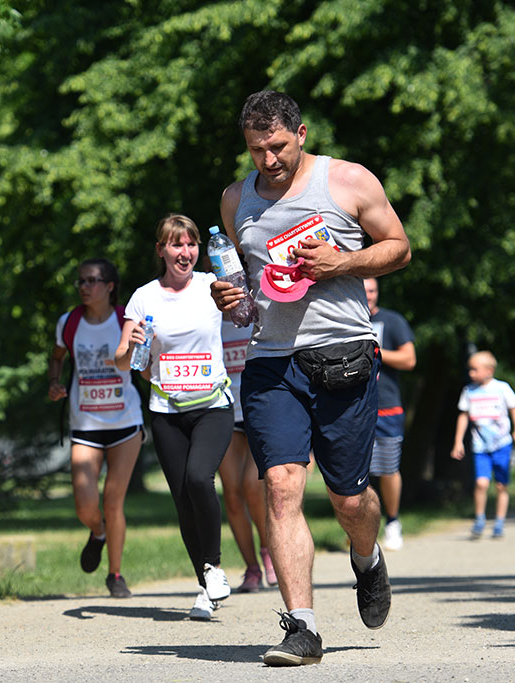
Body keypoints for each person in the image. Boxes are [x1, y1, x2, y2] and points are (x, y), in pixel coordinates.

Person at [211, 90, 411, 666]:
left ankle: (367, 557)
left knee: (349, 500)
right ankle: (302, 628)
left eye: (277, 146)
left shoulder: (347, 182)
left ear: (301, 133)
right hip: (271, 361)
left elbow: (399, 247)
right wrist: (233, 302)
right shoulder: (236, 199)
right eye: (256, 150)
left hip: (342, 355)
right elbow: (254, 293)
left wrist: (342, 263)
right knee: (279, 485)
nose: (268, 160)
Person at [116, 213, 234, 622]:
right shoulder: (144, 296)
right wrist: (130, 344)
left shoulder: (210, 284)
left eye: (191, 244)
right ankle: (205, 584)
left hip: (213, 404)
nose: (185, 253)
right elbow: (124, 360)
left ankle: (215, 565)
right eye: (176, 245)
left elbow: (246, 309)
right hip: (166, 410)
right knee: (183, 500)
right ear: (161, 250)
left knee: (199, 478)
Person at [48, 258, 143, 598]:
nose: (84, 287)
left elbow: (143, 358)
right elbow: (58, 356)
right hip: (85, 422)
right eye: (81, 281)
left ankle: (115, 575)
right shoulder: (70, 322)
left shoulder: (124, 320)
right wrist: (55, 382)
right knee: (85, 504)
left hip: (125, 422)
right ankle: (97, 532)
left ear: (109, 285)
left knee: (113, 499)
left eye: (92, 280)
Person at [218, 318, 277, 591]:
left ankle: (269, 552)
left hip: (259, 409)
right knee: (231, 494)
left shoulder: (258, 309)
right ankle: (251, 567)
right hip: (224, 410)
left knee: (252, 487)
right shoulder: (208, 313)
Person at [364, 277, 416, 551]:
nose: (368, 295)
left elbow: (409, 359)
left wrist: (374, 352)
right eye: (363, 290)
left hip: (387, 406)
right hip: (351, 408)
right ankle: (361, 528)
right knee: (355, 472)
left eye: (372, 290)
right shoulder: (342, 320)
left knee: (388, 468)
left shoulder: (392, 320)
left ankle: (392, 522)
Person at [450, 350, 515, 539]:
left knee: (501, 485)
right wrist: (458, 441)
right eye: (470, 369)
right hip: (480, 447)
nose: (471, 373)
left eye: (475, 369)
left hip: (502, 444)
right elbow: (464, 416)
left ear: (489, 370)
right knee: (481, 483)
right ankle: (480, 519)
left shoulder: (502, 388)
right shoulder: (469, 391)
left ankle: (499, 522)